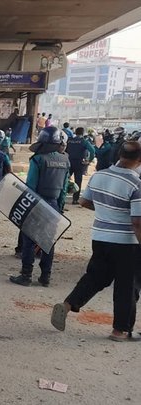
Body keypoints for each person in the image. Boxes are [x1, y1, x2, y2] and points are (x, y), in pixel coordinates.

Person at [50, 141, 141, 341]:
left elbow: (83, 201)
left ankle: (66, 305)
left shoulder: (100, 175)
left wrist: (105, 212)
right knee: (127, 286)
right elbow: (137, 222)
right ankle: (120, 331)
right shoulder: (136, 183)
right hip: (126, 242)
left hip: (100, 237)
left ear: (120, 154)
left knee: (95, 277)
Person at [10, 127, 70, 287]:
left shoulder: (37, 159)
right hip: (54, 205)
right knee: (47, 242)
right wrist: (60, 207)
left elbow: (30, 186)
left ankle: (26, 275)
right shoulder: (65, 160)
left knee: (29, 241)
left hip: (37, 203)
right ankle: (45, 277)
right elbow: (64, 188)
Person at [65, 127, 95, 205]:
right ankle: (75, 199)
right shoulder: (84, 141)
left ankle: (62, 196)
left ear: (75, 132)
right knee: (78, 181)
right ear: (83, 133)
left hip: (68, 162)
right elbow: (92, 151)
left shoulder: (69, 140)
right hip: (79, 163)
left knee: (65, 179)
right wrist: (89, 160)